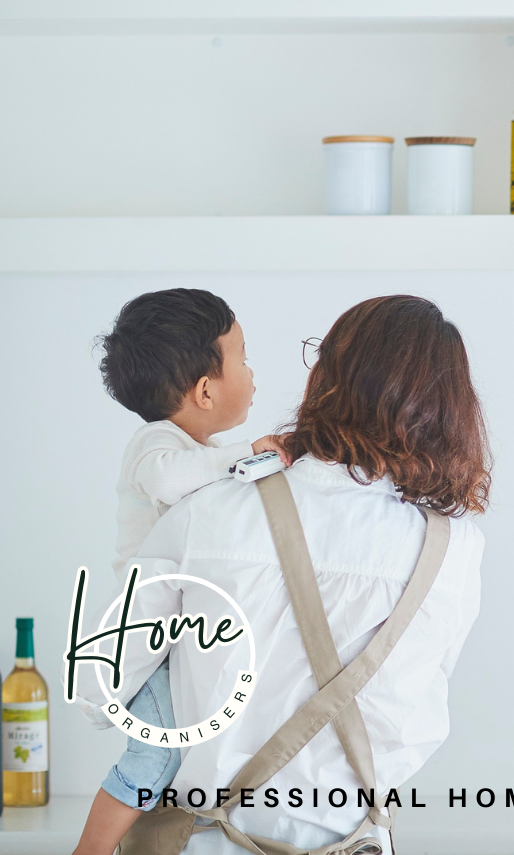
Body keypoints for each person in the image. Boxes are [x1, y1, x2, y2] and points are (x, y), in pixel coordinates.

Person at [71, 295, 488, 855]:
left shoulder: (207, 510)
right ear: (446, 412)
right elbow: (415, 720)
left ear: (325, 378)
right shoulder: (451, 549)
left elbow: (101, 681)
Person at [73, 288, 289, 855]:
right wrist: (248, 450)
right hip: (143, 639)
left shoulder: (199, 452)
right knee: (157, 753)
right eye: (242, 356)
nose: (252, 371)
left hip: (173, 632)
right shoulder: (156, 444)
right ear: (205, 389)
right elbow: (171, 481)